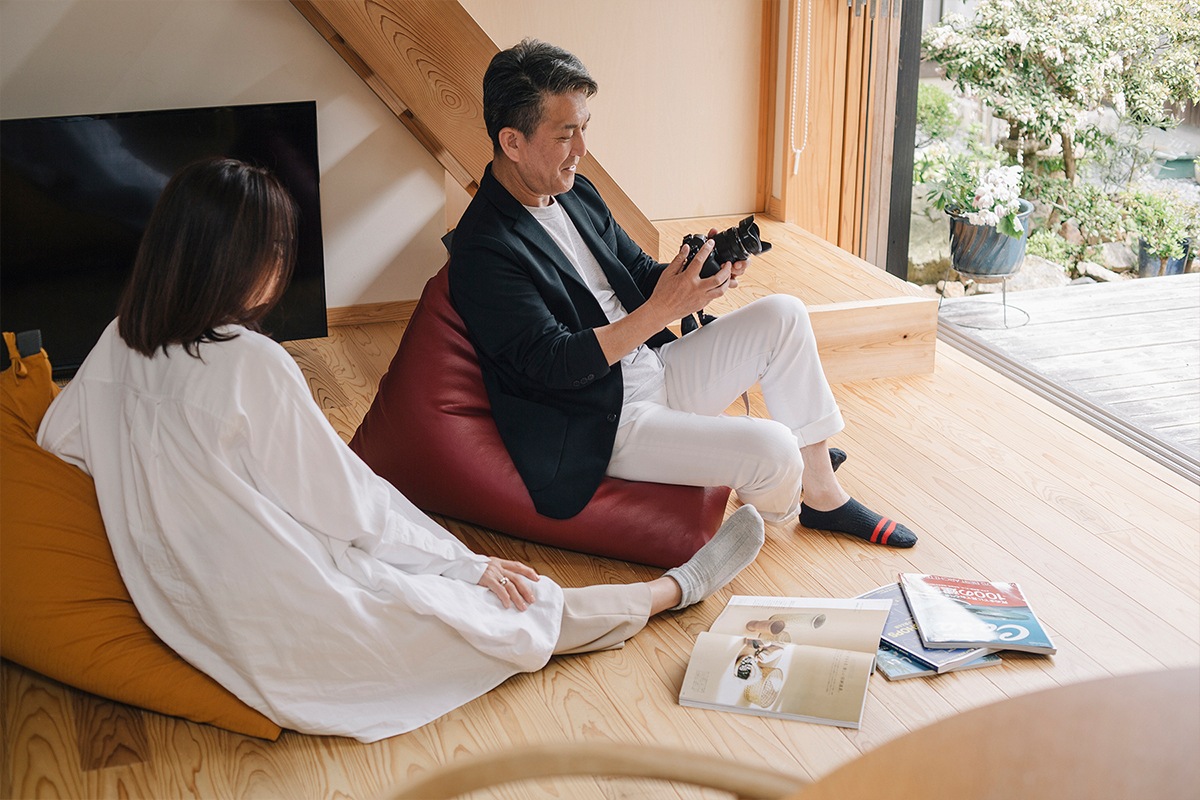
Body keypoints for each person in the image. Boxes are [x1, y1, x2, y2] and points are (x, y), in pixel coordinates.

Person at [36, 157, 765, 743]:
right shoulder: (249, 364)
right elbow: (346, 503)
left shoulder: (116, 341)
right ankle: (670, 592)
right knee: (491, 613)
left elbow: (59, 442)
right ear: (243, 263)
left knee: (422, 578)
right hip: (268, 611)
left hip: (177, 596)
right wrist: (468, 562)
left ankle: (638, 594)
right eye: (278, 250)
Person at [449, 39, 918, 549]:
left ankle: (822, 493)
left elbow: (636, 272)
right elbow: (554, 364)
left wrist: (699, 273)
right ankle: (787, 479)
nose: (581, 149)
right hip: (602, 422)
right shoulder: (484, 247)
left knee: (785, 314)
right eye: (566, 135)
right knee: (776, 448)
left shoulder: (573, 192)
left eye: (585, 128)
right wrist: (662, 311)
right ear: (512, 142)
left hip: (654, 368)